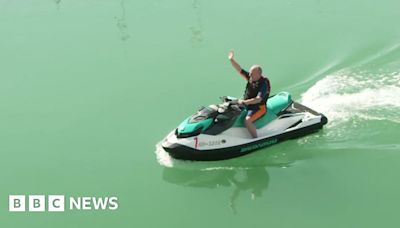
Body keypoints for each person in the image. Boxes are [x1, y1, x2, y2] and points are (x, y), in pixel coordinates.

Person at [228, 50, 271, 138]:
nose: (249, 75)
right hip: (246, 103)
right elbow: (239, 69)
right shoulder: (251, 77)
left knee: (247, 120)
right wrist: (231, 60)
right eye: (250, 73)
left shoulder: (263, 84)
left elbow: (258, 99)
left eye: (252, 74)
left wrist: (244, 102)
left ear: (259, 74)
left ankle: (255, 138)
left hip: (258, 107)